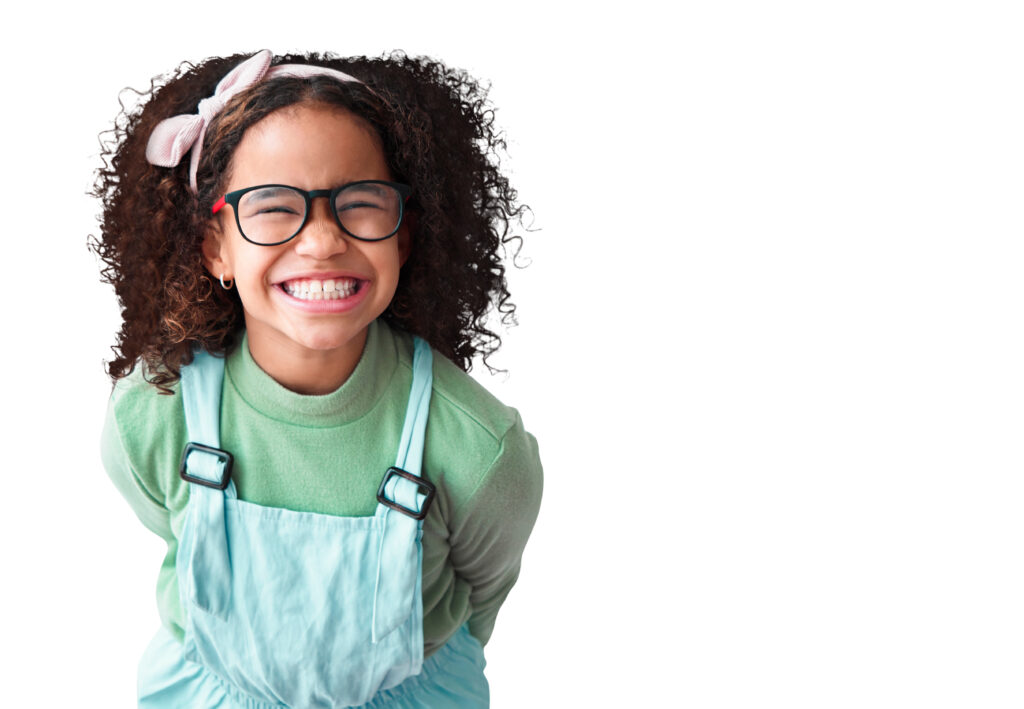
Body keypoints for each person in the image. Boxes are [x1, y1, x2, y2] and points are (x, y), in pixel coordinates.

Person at [91, 49, 543, 708]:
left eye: (360, 202)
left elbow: (481, 598)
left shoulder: (477, 446)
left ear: (404, 236)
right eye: (273, 206)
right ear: (215, 243)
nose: (322, 241)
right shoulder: (153, 413)